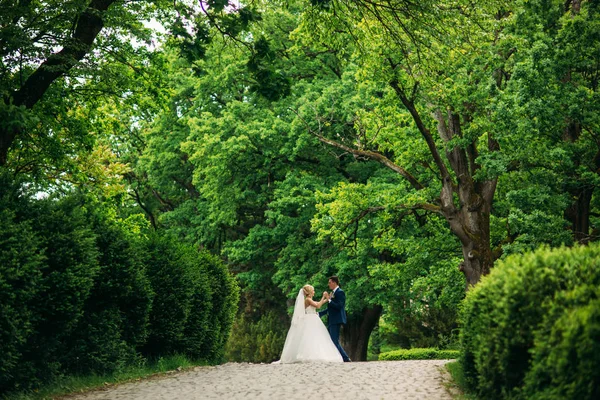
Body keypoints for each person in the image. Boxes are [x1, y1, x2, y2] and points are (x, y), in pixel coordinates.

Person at [278, 284, 343, 363]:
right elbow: (318, 306)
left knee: (315, 337)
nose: (314, 292)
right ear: (309, 292)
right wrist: (323, 297)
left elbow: (319, 303)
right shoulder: (308, 300)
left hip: (313, 319)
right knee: (310, 337)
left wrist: (328, 299)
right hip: (310, 320)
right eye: (313, 291)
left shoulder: (309, 300)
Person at [318, 276, 351, 362]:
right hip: (332, 319)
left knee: (334, 340)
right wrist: (320, 314)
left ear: (334, 282)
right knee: (333, 340)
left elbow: (339, 306)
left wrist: (329, 299)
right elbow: (330, 308)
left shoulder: (340, 292)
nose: (328, 284)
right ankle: (343, 357)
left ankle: (345, 358)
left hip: (337, 319)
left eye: (329, 282)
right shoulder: (333, 293)